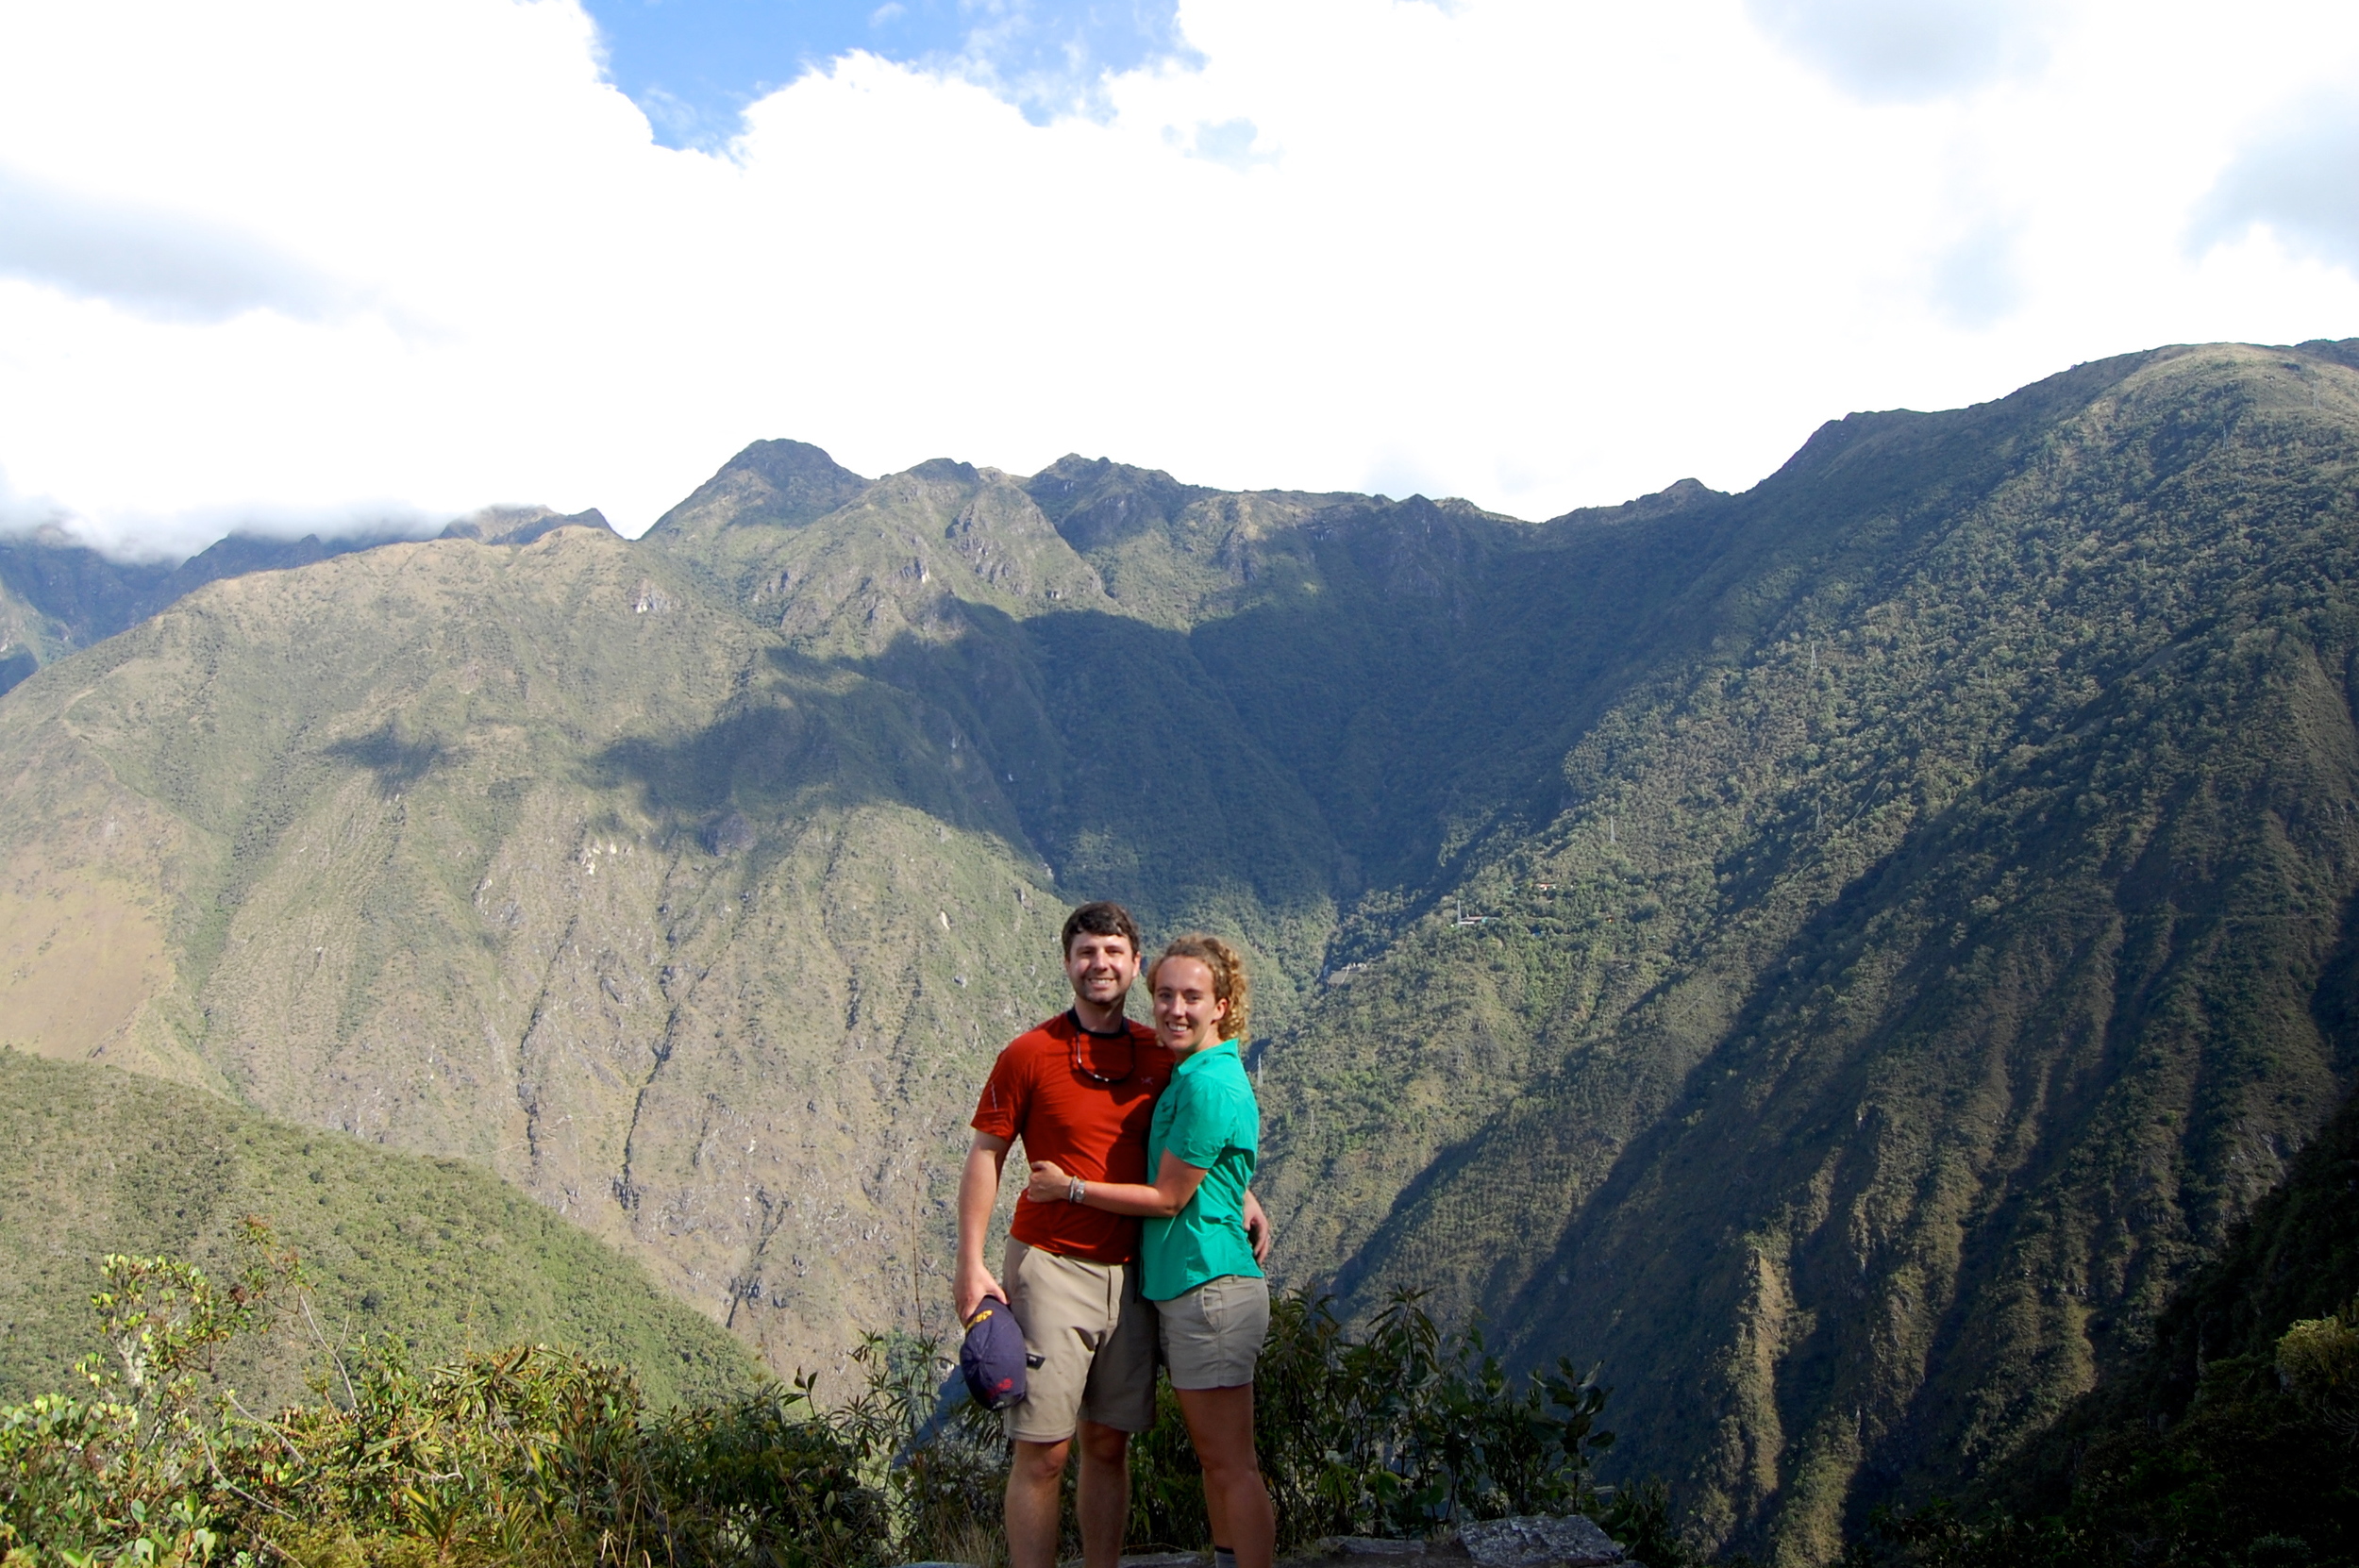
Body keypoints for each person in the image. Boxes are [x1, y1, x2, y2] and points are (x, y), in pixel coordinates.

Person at [956, 903, 1270, 1568]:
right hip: (1053, 1263)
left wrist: (1242, 1189)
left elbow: (1194, 1139)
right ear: (1067, 963)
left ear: (1134, 964)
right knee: (1044, 1450)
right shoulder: (1029, 1053)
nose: (1099, 964)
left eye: (1113, 952)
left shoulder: (1163, 1052)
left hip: (1135, 1276)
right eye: (1085, 952)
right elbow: (987, 1154)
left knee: (1108, 1443)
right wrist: (970, 1263)